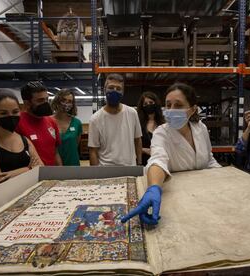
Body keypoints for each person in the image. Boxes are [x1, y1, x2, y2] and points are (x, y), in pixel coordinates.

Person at [121, 83, 221, 225]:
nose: (172, 110)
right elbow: (158, 160)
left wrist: (223, 178)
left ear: (192, 109)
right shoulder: (162, 132)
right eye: (168, 105)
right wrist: (154, 187)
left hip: (202, 194)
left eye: (178, 105)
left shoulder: (201, 128)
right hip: (178, 198)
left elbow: (209, 160)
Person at [0, 90, 43, 194]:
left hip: (20, 196)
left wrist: (17, 172)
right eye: (3, 113)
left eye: (15, 112)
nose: (10, 116)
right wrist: (30, 168)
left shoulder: (24, 140)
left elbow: (41, 168)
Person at [88, 73, 143, 166]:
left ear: (123, 92)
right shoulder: (95, 119)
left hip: (130, 168)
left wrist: (139, 163)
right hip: (106, 171)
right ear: (105, 90)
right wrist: (96, 175)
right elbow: (93, 150)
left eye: (118, 89)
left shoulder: (132, 113)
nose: (114, 91)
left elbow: (138, 140)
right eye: (111, 87)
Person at [16, 81, 62, 166]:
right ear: (27, 103)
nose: (45, 103)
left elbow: (55, 153)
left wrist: (61, 172)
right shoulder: (17, 123)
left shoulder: (52, 122)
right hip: (30, 175)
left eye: (47, 99)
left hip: (51, 176)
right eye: (40, 100)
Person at [51, 88, 83, 166]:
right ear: (57, 101)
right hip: (53, 166)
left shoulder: (77, 123)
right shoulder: (47, 122)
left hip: (73, 164)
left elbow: (75, 144)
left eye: (70, 101)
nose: (66, 103)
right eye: (64, 100)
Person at [137, 91, 165, 165]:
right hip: (143, 163)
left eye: (151, 102)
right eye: (145, 104)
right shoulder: (138, 124)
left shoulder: (164, 123)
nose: (148, 105)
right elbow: (132, 145)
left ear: (156, 103)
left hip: (161, 162)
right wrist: (144, 150)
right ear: (142, 107)